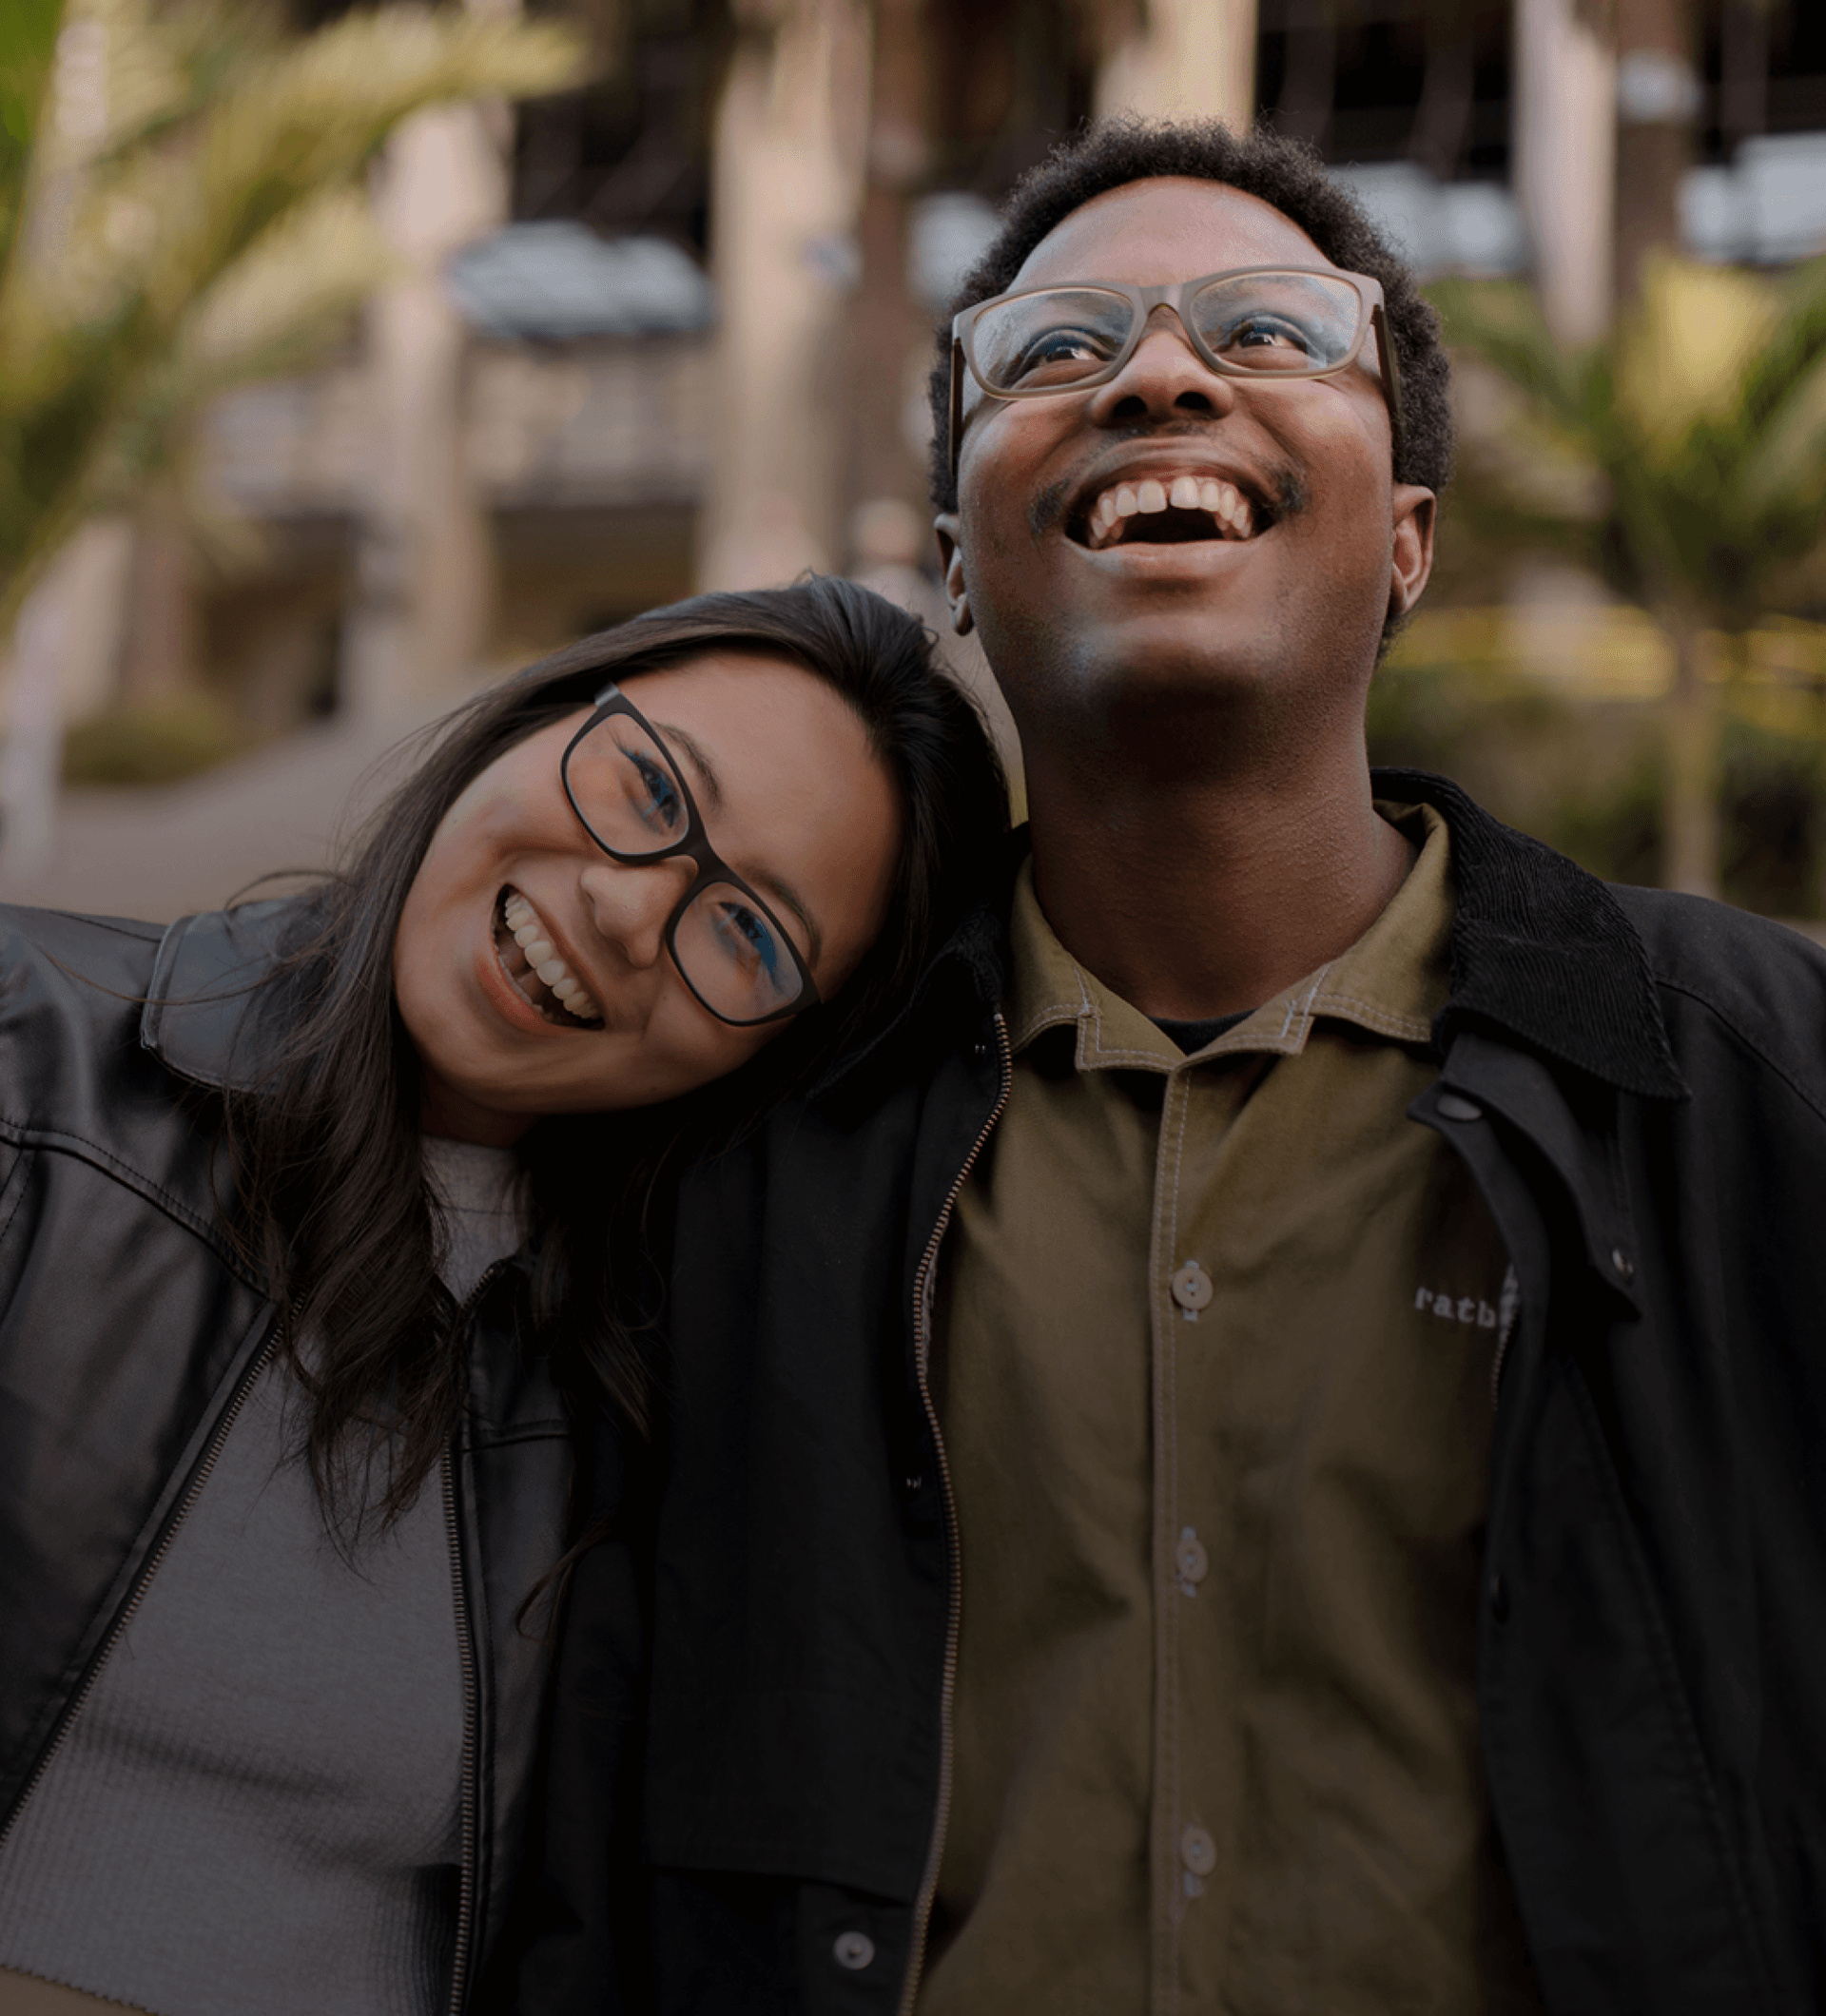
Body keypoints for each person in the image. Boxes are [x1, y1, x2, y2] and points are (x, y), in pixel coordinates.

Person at [526, 119, 1826, 2016]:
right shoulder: (748, 1146)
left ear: (1409, 538)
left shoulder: (1754, 1090)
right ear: (957, 558)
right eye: (1054, 348)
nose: (1155, 371)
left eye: (1272, 330)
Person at [0, 575, 1006, 2016]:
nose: (624, 903)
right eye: (648, 786)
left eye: (750, 934)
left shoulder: (654, 1386)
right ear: (528, 724)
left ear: (778, 1056)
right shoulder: (26, 1067)